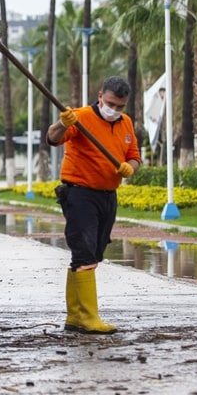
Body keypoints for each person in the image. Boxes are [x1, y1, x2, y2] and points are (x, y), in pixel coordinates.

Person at [45, 76, 140, 334]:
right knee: (84, 252)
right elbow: (53, 138)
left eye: (120, 106)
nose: (114, 110)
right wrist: (61, 124)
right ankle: (89, 318)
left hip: (107, 196)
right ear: (100, 96)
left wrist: (129, 168)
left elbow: (134, 157)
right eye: (110, 103)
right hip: (80, 194)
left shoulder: (126, 123)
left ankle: (75, 317)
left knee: (91, 255)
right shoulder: (80, 117)